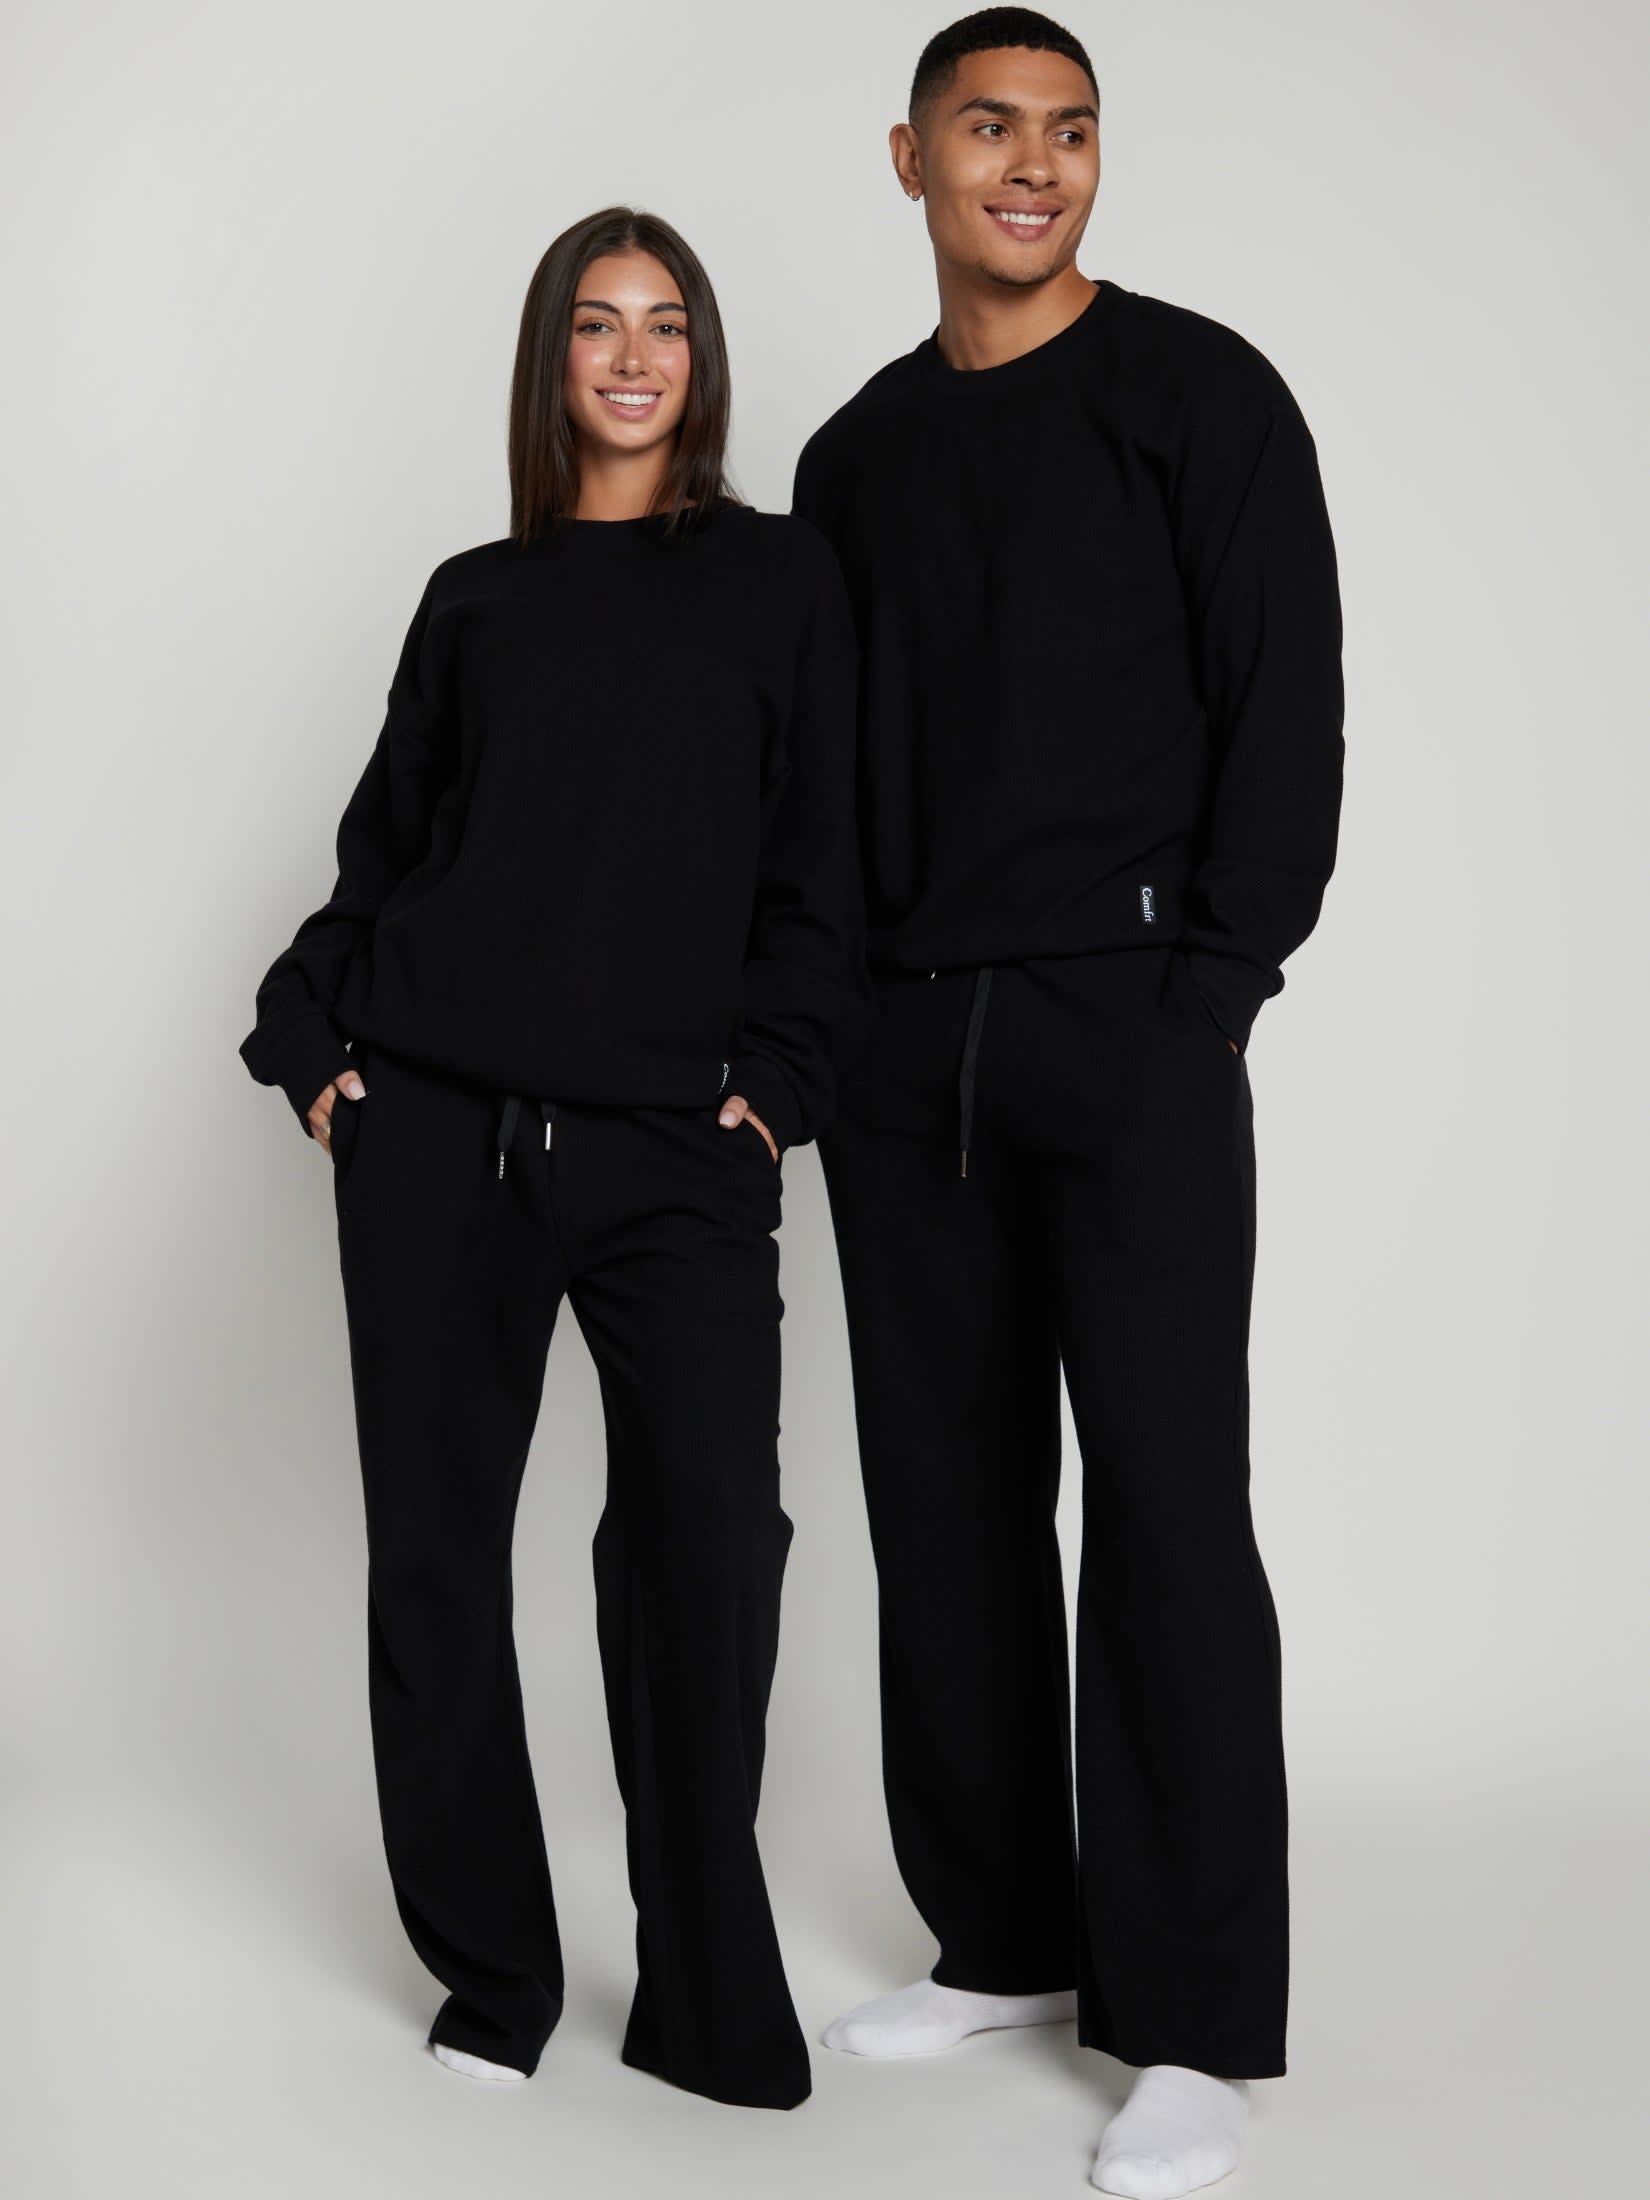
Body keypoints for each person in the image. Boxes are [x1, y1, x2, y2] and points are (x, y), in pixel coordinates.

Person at [790, 11, 1344, 2193]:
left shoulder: (1199, 395)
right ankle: (1007, 1936)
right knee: (943, 1507)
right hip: (901, 1052)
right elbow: (818, 777)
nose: (1033, 165)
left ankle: (1190, 2023)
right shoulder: (854, 459)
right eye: (990, 128)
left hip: (1130, 1034)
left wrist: (1205, 996)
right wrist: (823, 1027)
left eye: (1070, 132)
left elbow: (1284, 704)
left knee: (1169, 1515)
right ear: (909, 156)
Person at [238, 205, 868, 2112]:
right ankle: (495, 1972)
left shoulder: (781, 580)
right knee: (436, 1563)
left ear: (701, 360)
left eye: (665, 323)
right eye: (596, 324)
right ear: (551, 360)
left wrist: (774, 1086)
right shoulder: (476, 598)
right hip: (437, 1135)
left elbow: (822, 868)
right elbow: (385, 858)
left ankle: (706, 1986)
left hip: (677, 1150)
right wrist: (314, 1052)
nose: (632, 355)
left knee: (709, 1552)